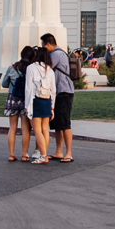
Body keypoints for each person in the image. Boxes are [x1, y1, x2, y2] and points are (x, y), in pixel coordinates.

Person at [43, 33, 75, 162]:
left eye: (43, 46)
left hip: (63, 91)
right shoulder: (60, 53)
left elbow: (45, 68)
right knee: (57, 124)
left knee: (65, 123)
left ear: (48, 44)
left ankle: (68, 153)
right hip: (60, 91)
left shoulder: (56, 54)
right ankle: (59, 151)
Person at [25, 41, 56, 164]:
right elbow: (53, 90)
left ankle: (43, 156)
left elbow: (28, 89)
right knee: (45, 129)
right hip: (47, 100)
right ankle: (44, 154)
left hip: (35, 100)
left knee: (37, 129)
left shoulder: (31, 68)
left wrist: (27, 106)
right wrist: (52, 107)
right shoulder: (50, 70)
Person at [1, 47, 34, 162]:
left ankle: (11, 154)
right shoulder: (31, 68)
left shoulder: (12, 67)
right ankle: (24, 155)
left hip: (12, 97)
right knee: (25, 128)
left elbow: (4, 83)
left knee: (12, 127)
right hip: (25, 99)